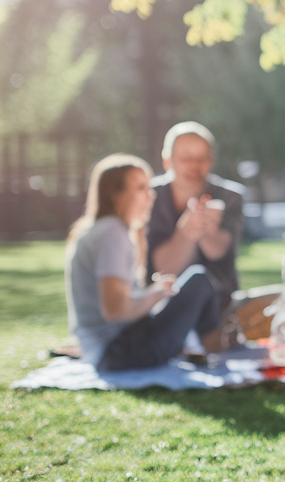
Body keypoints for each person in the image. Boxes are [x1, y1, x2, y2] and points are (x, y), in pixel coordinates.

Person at [66, 154, 222, 371]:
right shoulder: (111, 233)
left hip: (111, 351)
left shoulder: (103, 230)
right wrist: (158, 293)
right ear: (115, 194)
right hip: (116, 353)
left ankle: (209, 352)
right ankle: (219, 355)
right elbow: (116, 310)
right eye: (140, 188)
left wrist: (154, 292)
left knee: (192, 282)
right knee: (198, 280)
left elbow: (118, 304)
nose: (151, 195)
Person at [147, 122, 245, 312]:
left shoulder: (230, 196)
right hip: (161, 306)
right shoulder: (149, 197)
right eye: (186, 158)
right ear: (168, 161)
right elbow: (162, 268)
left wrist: (204, 229)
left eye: (202, 158)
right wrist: (185, 232)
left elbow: (219, 251)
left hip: (219, 304)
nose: (194, 166)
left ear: (212, 160)